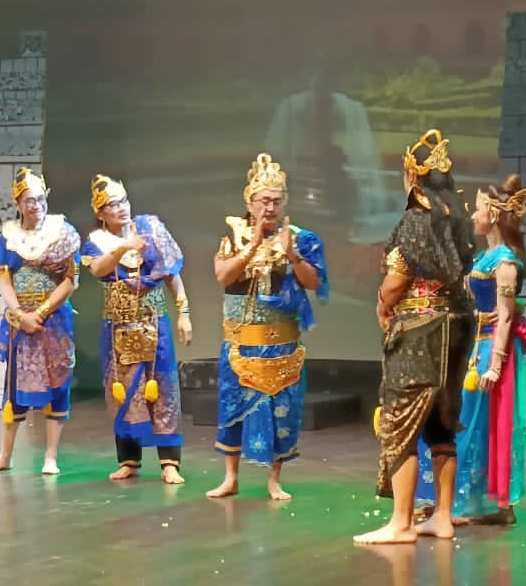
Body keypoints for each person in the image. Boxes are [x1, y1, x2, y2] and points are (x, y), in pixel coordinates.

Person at [355, 129, 476, 545]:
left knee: (401, 421)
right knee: (442, 422)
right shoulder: (457, 217)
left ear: (412, 175)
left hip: (420, 328)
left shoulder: (416, 219)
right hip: (457, 324)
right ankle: (441, 516)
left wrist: (382, 303)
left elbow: (396, 280)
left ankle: (402, 522)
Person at [206, 154, 327, 500]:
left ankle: (275, 479)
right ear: (249, 202)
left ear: (285, 202)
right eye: (263, 200)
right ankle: (231, 477)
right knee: (232, 410)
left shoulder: (301, 239)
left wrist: (292, 255)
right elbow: (222, 275)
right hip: (240, 343)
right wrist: (254, 245)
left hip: (281, 344)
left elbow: (314, 282)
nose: (269, 207)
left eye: (276, 200)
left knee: (281, 413)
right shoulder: (234, 235)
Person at [415, 175, 526, 525]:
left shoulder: (504, 262)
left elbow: (505, 316)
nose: (473, 216)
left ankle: (468, 502)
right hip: (473, 346)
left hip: (490, 349)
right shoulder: (485, 256)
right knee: (466, 420)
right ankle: (457, 500)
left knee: (475, 423)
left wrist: (495, 364)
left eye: (479, 208)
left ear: (493, 215)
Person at [81, 173, 191, 484]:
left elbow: (171, 274)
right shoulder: (95, 242)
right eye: (113, 204)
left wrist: (183, 313)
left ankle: (169, 463)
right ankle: (129, 460)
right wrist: (122, 248)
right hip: (117, 327)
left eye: (124, 201)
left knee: (163, 389)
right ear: (100, 212)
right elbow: (98, 269)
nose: (121, 208)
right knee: (124, 391)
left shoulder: (150, 228)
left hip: (154, 322)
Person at [0, 168, 80, 476]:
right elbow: (4, 278)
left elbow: (70, 281)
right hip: (20, 320)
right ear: (18, 204)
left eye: (40, 199)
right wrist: (21, 315)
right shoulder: (9, 235)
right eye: (29, 201)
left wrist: (42, 312)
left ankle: (50, 457)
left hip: (54, 320)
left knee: (57, 385)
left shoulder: (62, 232)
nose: (36, 205)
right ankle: (5, 456)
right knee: (14, 388)